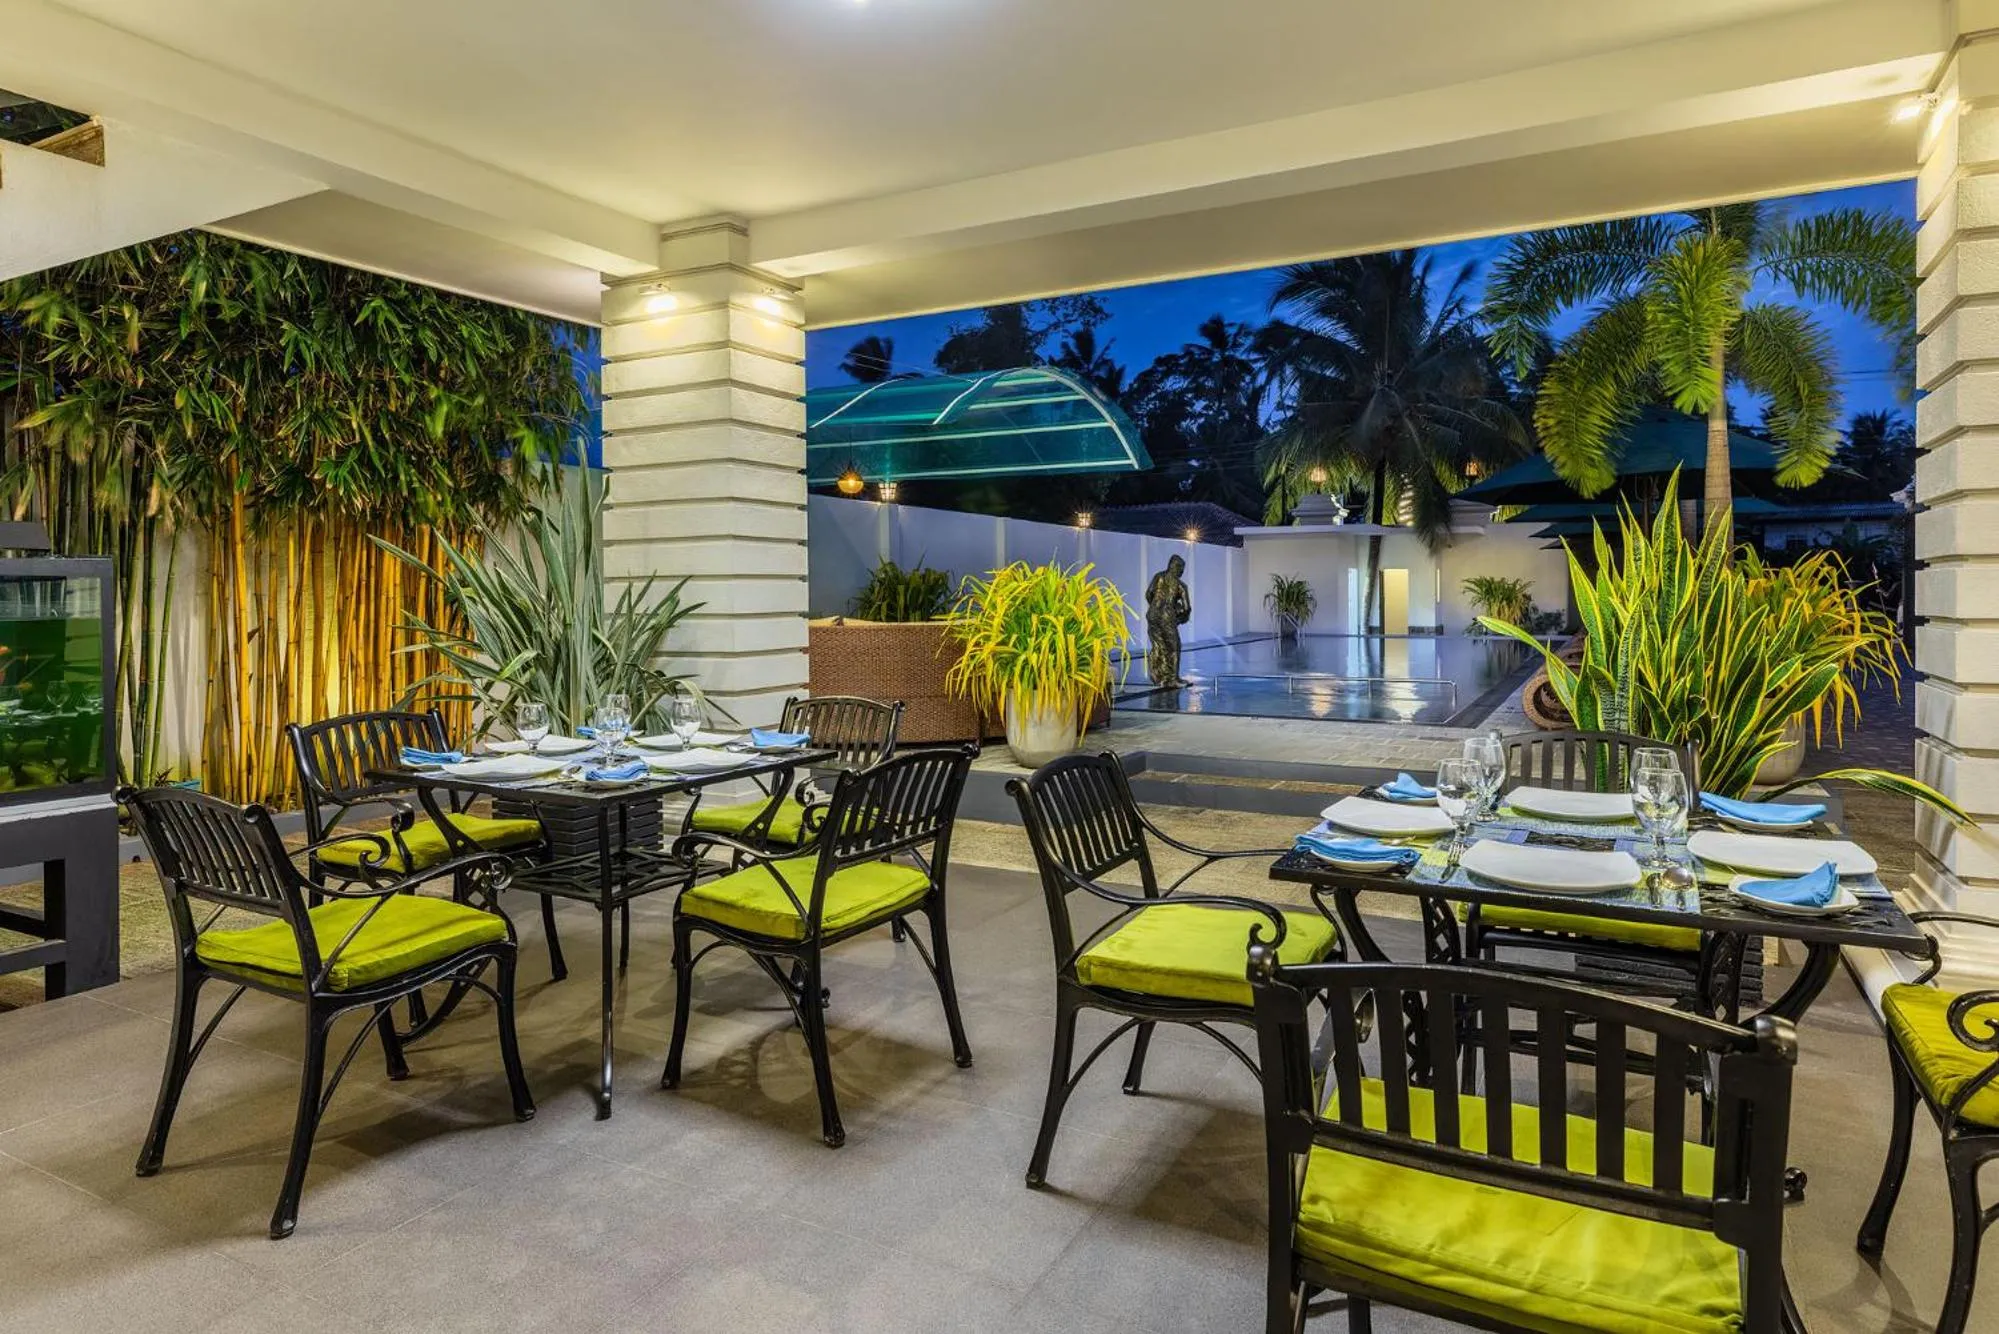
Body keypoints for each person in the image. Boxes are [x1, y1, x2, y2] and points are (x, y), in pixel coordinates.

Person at [1145, 555, 1192, 689]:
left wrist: (1154, 607)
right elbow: (1187, 608)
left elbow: (1148, 594)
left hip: (1153, 615)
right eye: (1182, 569)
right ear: (1177, 568)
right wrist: (1180, 618)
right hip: (1167, 617)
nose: (1182, 573)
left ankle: (1157, 676)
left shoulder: (1158, 577)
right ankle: (1172, 678)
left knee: (1158, 644)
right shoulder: (1180, 586)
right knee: (1174, 647)